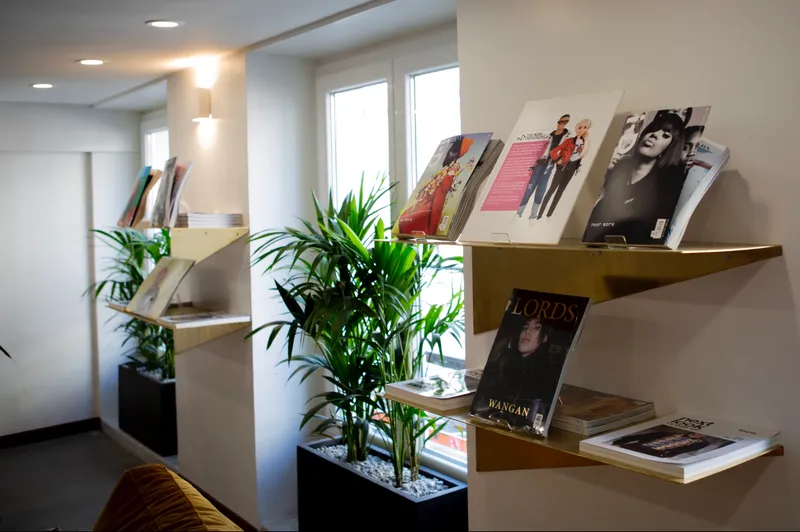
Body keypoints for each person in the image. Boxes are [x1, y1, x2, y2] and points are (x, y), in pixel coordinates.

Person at [583, 112, 687, 244]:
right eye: (654, 129)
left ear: (669, 149)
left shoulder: (661, 190)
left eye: (665, 135)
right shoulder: (614, 170)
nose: (654, 135)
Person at [472, 316, 565, 432]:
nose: (528, 331)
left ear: (544, 338)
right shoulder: (504, 367)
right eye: (525, 327)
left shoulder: (545, 377)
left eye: (536, 328)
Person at [536, 118, 593, 219]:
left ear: (587, 130)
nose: (581, 130)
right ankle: (540, 215)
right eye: (580, 127)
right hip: (561, 168)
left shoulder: (586, 144)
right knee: (551, 190)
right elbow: (553, 151)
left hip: (571, 170)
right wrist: (558, 160)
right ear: (576, 128)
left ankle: (549, 215)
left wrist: (577, 167)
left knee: (560, 192)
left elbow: (580, 158)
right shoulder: (569, 141)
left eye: (585, 128)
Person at [516, 114, 570, 219]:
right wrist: (532, 165)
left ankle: (533, 215)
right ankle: (519, 212)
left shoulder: (567, 138)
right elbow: (538, 150)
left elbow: (566, 152)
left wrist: (559, 160)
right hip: (540, 163)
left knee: (541, 189)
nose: (562, 124)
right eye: (561, 121)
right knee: (530, 187)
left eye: (565, 122)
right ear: (558, 122)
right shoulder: (549, 135)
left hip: (551, 165)